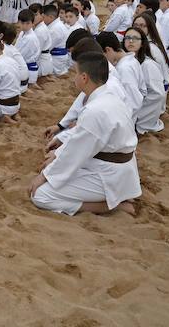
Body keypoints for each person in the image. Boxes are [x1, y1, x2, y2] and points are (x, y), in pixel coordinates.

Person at [30, 52, 140, 216]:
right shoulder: (110, 96)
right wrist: (57, 152)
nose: (74, 78)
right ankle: (117, 197)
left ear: (84, 77)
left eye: (75, 73)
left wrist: (46, 176)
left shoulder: (95, 110)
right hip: (119, 168)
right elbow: (82, 136)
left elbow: (76, 152)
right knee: (55, 164)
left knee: (40, 195)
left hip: (108, 175)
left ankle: (112, 206)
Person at [123, 27, 166, 135]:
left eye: (135, 38)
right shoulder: (126, 61)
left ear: (142, 43)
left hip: (141, 113)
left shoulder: (148, 65)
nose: (131, 41)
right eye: (127, 38)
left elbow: (157, 95)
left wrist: (140, 119)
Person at [97, 31, 145, 114]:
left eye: (102, 56)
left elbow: (133, 103)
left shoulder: (124, 69)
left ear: (108, 50)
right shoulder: (130, 60)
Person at [15, 9, 41, 90]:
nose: (25, 26)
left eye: (28, 23)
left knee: (28, 89)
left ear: (33, 23)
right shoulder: (23, 33)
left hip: (29, 70)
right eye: (22, 23)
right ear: (18, 22)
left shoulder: (30, 38)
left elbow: (21, 55)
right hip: (25, 67)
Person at [47, 5, 71, 76]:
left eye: (44, 16)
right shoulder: (57, 25)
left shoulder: (55, 28)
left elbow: (47, 48)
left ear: (50, 17)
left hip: (56, 60)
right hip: (60, 58)